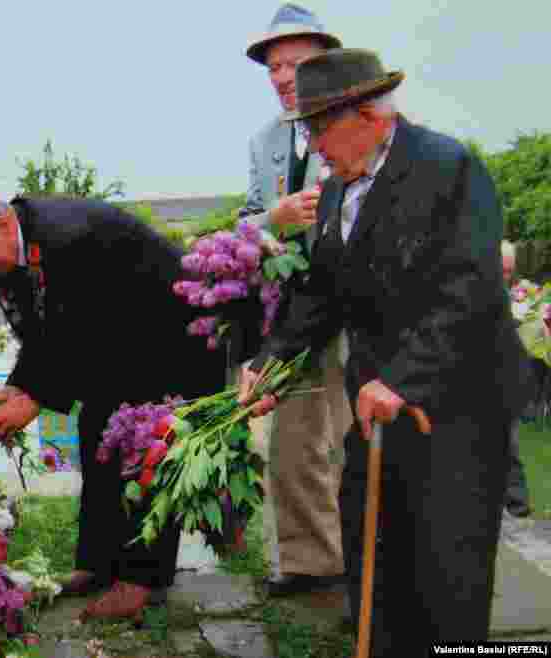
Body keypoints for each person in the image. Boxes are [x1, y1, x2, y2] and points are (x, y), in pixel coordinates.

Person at [237, 49, 531, 656]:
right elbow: (320, 295)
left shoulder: (447, 167)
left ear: (369, 117)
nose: (314, 143)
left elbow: (468, 287)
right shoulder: (334, 192)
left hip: (455, 406)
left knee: (447, 573)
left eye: (321, 126)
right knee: (378, 558)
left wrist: (404, 378)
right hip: (375, 405)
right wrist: (271, 363)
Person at [0, 182, 228, 620]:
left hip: (172, 339)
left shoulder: (69, 238)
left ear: (3, 224)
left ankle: (139, 581)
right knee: (96, 433)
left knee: (144, 448)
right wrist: (20, 386)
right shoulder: (21, 247)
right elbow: (44, 333)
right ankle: (100, 564)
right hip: (121, 345)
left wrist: (36, 400)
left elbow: (86, 332)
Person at [239, 2, 350, 597]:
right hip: (294, 308)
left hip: (357, 305)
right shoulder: (264, 143)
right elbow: (244, 223)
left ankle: (373, 555)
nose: (282, 77)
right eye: (273, 67)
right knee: (293, 441)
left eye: (295, 64)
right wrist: (273, 220)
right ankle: (312, 563)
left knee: (354, 436)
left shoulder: (361, 124)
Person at [502, 240, 533, 518]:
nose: (505, 277)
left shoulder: (518, 298)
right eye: (501, 271)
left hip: (507, 381)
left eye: (509, 272)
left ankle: (517, 502)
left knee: (510, 442)